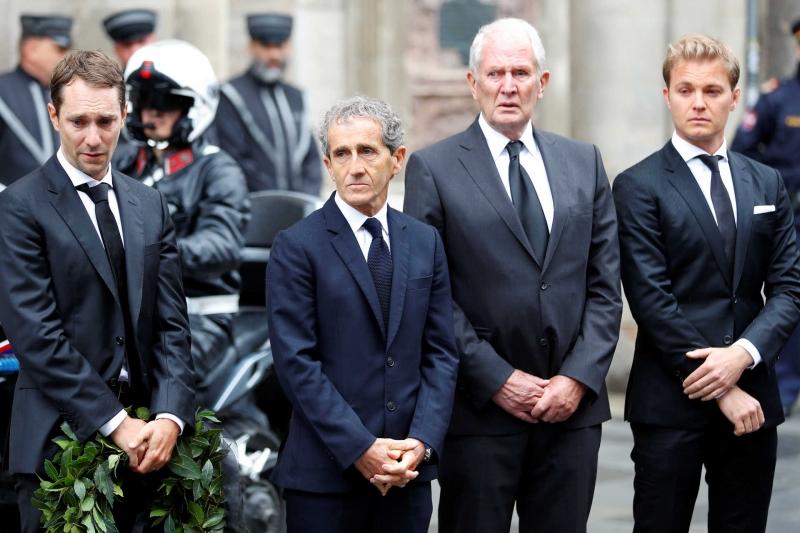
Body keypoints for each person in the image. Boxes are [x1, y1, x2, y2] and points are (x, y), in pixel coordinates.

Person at [404, 17, 622, 533]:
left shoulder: (584, 161)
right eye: (495, 73)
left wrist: (577, 378)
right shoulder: (433, 169)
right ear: (472, 83)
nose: (508, 86)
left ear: (541, 83)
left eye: (520, 73)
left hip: (572, 415)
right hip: (480, 414)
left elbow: (605, 286)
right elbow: (428, 295)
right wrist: (497, 379)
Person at [0, 50, 196, 532]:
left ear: (125, 115)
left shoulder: (149, 204)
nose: (93, 137)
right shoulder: (20, 207)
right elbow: (36, 336)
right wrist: (115, 422)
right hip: (56, 449)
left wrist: (170, 416)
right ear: (53, 116)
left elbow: (171, 326)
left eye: (106, 121)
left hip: (151, 448)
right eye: (78, 121)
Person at [613, 35, 800, 533]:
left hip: (754, 402)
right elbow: (651, 299)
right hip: (670, 402)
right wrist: (721, 389)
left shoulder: (766, 183)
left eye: (713, 91)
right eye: (686, 89)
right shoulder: (637, 185)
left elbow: (789, 289)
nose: (698, 102)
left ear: (734, 98)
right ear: (667, 94)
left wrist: (743, 356)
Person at [267, 96, 458, 533]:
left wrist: (423, 442)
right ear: (328, 164)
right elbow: (297, 365)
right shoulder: (296, 247)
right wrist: (361, 448)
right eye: (342, 153)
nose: (355, 166)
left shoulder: (425, 241)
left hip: (406, 477)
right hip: (324, 482)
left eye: (367, 151)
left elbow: (441, 353)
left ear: (397, 159)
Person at [118, 40, 250, 405]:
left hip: (198, 316)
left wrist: (147, 252)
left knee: (148, 383)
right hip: (134, 313)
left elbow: (222, 245)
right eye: (144, 100)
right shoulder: (126, 164)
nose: (151, 112)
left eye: (165, 102)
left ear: (194, 106)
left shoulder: (218, 170)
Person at [731, 18, 800, 416]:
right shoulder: (779, 99)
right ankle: (788, 385)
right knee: (788, 299)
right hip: (790, 220)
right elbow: (743, 155)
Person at [213, 13, 323, 194]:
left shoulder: (296, 97)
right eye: (266, 46)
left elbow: (311, 160)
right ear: (252, 46)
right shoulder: (231, 95)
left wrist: (306, 202)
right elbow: (235, 159)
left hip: (300, 211)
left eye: (279, 46)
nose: (274, 54)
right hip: (255, 210)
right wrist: (275, 204)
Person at [0, 15, 71, 188]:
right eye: (59, 49)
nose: (67, 56)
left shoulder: (65, 93)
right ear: (31, 49)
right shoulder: (3, 90)